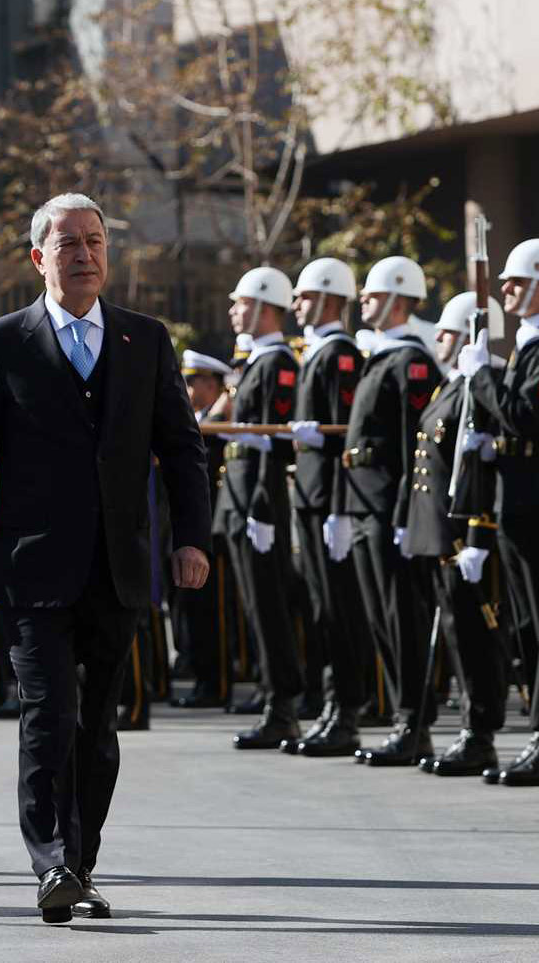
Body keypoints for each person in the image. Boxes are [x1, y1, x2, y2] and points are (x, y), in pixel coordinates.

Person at [0, 192, 210, 924]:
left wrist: (191, 538)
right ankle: (51, 860)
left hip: (119, 569)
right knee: (48, 716)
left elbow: (182, 447)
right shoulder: (2, 343)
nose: (84, 255)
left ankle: (80, 865)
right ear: (38, 258)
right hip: (34, 571)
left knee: (98, 727)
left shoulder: (145, 341)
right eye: (68, 245)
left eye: (94, 242)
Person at [455, 237, 539, 787]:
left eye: (515, 281)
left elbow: (527, 417)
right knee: (529, 625)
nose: (505, 290)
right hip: (514, 501)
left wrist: (482, 377)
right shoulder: (530, 346)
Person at [338, 256, 440, 765]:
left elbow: (411, 445)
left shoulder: (410, 362)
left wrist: (406, 513)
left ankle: (413, 721)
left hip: (388, 507)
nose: (364, 302)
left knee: (403, 618)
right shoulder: (382, 357)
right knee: (382, 616)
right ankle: (406, 719)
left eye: (374, 296)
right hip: (364, 504)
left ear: (399, 299)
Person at [405, 292, 509, 776]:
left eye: (445, 331)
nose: (438, 339)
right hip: (440, 532)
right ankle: (469, 728)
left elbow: (485, 468)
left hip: (465, 536)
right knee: (455, 633)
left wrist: (478, 533)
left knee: (475, 637)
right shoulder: (454, 385)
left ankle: (480, 733)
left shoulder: (484, 385)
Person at [283, 257, 374, 757]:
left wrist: (341, 507)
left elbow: (347, 439)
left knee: (340, 611)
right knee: (322, 609)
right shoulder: (318, 353)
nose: (296, 305)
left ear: (328, 299)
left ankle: (347, 712)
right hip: (312, 497)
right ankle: (332, 708)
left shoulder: (340, 355)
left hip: (330, 501)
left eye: (304, 296)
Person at [218, 268, 308, 751]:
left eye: (241, 303)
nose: (234, 311)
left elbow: (273, 443)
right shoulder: (257, 361)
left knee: (269, 607)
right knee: (254, 606)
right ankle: (273, 695)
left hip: (259, 497)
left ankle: (283, 707)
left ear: (265, 306)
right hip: (240, 494)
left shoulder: (277, 363)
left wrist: (261, 509)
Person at [170, 350, 236, 709]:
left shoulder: (215, 422)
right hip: (193, 526)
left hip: (213, 524)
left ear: (211, 385)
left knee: (212, 611)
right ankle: (202, 676)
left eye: (193, 381)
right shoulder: (198, 419)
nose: (186, 387)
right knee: (192, 610)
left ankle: (217, 682)